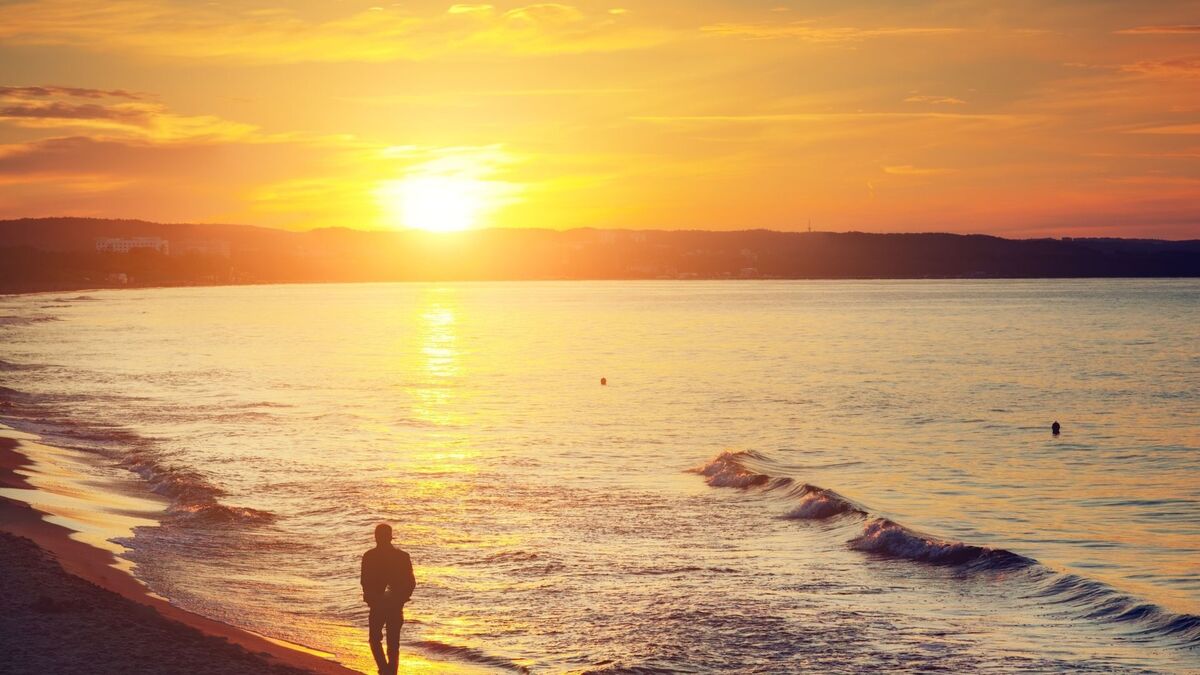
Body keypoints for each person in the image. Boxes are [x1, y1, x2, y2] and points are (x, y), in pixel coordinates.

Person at [361, 523, 415, 675]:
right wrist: (402, 599)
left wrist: (372, 597)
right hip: (389, 604)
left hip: (383, 604)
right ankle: (388, 672)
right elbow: (411, 583)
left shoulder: (370, 556)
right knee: (392, 644)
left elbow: (364, 581)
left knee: (376, 640)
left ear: (376, 537)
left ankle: (386, 671)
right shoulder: (401, 556)